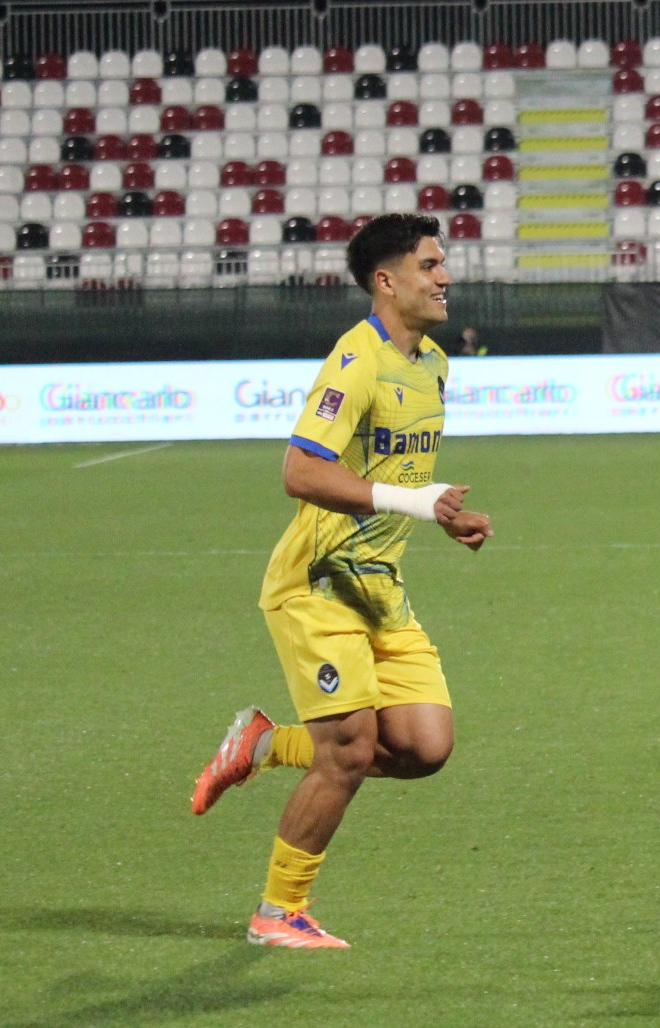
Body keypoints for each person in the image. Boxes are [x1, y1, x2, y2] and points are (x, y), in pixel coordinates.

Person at [190, 212, 493, 948]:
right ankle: (277, 912)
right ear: (386, 281)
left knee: (424, 748)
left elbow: (391, 471)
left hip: (380, 586)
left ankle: (264, 744)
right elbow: (300, 472)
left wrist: (439, 513)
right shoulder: (355, 362)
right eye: (429, 265)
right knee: (349, 752)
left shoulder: (433, 363)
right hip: (318, 583)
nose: (445, 277)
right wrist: (413, 503)